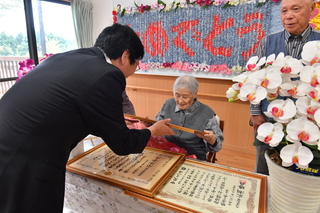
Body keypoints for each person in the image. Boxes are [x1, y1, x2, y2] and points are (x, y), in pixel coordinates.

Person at [0, 23, 175, 213]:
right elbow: (122, 144)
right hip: (27, 167)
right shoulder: (109, 74)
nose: (135, 70)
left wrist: (110, 123)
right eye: (137, 63)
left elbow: (66, 110)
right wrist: (152, 130)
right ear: (125, 56)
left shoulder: (65, 57)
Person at [250, 0, 320, 175]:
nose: (288, 16)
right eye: (284, 11)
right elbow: (254, 80)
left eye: (296, 9)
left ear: (312, 8)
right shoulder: (268, 41)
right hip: (270, 117)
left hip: (308, 121)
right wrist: (255, 113)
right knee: (264, 166)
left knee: (305, 171)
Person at [155, 75, 223, 160]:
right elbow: (157, 126)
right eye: (177, 95)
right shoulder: (168, 103)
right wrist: (150, 125)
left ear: (195, 94)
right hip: (166, 152)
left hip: (192, 157)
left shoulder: (207, 112)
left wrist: (212, 140)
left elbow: (217, 147)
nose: (180, 100)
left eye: (185, 97)